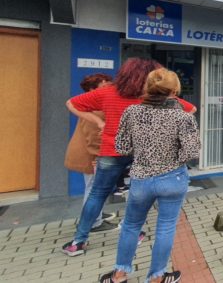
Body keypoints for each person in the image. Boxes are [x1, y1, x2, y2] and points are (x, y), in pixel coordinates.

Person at [62, 58, 196, 257]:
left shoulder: (107, 93)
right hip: (142, 153)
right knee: (137, 195)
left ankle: (79, 240)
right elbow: (190, 109)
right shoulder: (155, 98)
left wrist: (99, 122)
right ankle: (135, 232)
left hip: (111, 150)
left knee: (97, 194)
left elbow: (72, 103)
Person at [100, 68, 200, 283]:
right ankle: (157, 277)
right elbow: (192, 152)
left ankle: (119, 275)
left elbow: (122, 146)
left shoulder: (131, 113)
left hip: (141, 178)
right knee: (165, 227)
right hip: (173, 178)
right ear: (174, 90)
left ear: (148, 87)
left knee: (131, 225)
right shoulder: (183, 117)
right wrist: (174, 160)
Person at [64, 73, 116, 231]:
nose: (108, 89)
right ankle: (93, 222)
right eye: (104, 86)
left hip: (90, 153)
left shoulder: (90, 105)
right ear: (93, 89)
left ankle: (96, 214)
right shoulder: (95, 109)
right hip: (92, 155)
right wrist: (99, 156)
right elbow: (94, 137)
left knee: (95, 187)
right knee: (94, 188)